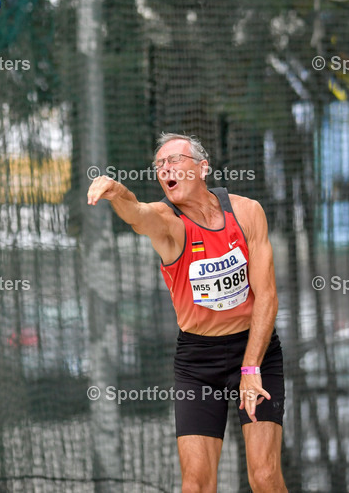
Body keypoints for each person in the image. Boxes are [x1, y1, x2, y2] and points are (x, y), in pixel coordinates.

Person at [87, 132, 286, 493]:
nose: (165, 169)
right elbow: (137, 213)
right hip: (199, 361)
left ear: (202, 167)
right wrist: (117, 192)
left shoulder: (246, 212)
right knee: (196, 485)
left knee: (265, 478)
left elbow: (268, 296)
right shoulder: (168, 223)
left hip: (256, 351)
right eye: (159, 165)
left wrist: (251, 368)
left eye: (174, 160)